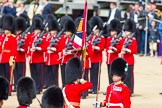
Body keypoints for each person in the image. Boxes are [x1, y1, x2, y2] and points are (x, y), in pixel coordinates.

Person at [28, 16, 46, 94]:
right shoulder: (31, 37)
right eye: (36, 29)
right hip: (32, 59)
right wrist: (29, 53)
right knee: (33, 74)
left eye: (38, 29)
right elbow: (28, 46)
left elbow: (45, 47)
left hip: (39, 59)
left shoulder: (43, 37)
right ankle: (34, 87)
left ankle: (39, 88)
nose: (37, 31)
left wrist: (39, 49)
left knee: (39, 75)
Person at [89, 16, 105, 94]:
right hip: (91, 58)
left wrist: (95, 47)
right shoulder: (91, 37)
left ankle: (96, 88)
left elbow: (102, 48)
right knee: (91, 73)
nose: (94, 31)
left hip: (98, 58)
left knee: (96, 73)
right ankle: (91, 87)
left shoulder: (101, 37)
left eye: (95, 29)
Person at [120, 19, 137, 95]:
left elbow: (134, 50)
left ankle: (130, 90)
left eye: (127, 31)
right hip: (124, 60)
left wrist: (127, 50)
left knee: (129, 76)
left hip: (129, 61)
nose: (126, 32)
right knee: (124, 75)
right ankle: (125, 89)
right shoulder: (124, 39)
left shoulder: (133, 40)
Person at [59, 19, 77, 87]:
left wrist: (70, 52)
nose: (66, 33)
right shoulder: (63, 39)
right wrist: (63, 52)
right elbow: (59, 49)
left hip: (71, 61)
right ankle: (64, 87)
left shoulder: (75, 39)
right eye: (65, 31)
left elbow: (77, 50)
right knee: (63, 76)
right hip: (63, 60)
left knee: (70, 77)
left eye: (68, 31)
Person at [0, 14, 16, 86]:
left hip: (8, 58)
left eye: (7, 29)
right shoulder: (2, 37)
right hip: (2, 58)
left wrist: (12, 59)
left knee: (8, 75)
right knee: (2, 75)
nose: (5, 30)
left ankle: (8, 90)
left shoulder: (13, 38)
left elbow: (13, 49)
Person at [13, 17, 28, 92]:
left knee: (21, 74)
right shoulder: (14, 37)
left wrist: (21, 50)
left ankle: (21, 87)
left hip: (21, 58)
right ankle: (16, 86)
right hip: (15, 58)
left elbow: (26, 47)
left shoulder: (24, 37)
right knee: (15, 73)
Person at [44, 17, 60, 88]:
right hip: (47, 59)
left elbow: (60, 48)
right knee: (48, 74)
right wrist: (47, 48)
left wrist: (54, 49)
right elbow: (44, 45)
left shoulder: (58, 38)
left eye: (54, 30)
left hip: (55, 60)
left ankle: (55, 87)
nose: (53, 32)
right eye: (52, 30)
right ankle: (49, 86)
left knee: (54, 75)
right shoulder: (46, 37)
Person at [105, 19, 122, 85]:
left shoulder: (118, 39)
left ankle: (114, 86)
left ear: (116, 31)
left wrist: (113, 49)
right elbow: (106, 48)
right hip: (108, 60)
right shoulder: (109, 39)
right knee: (109, 75)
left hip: (114, 59)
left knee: (114, 75)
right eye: (111, 31)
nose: (111, 32)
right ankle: (110, 86)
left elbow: (119, 50)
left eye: (113, 31)